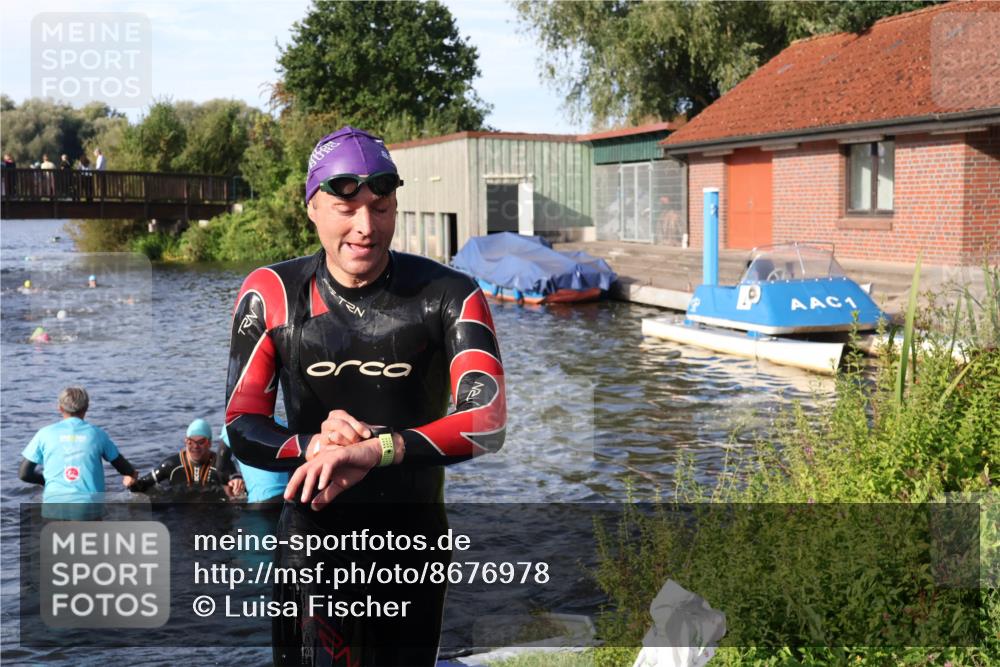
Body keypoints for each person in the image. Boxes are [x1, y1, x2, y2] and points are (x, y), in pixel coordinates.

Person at [225, 126, 506, 666]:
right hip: (312, 543)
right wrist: (313, 445)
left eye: (381, 208)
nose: (366, 227)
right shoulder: (272, 293)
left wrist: (377, 449)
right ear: (312, 207)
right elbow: (241, 422)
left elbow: (487, 419)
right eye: (345, 208)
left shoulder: (449, 294)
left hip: (412, 544)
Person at [19, 387, 139, 519]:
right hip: (88, 509)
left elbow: (24, 474)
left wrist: (45, 481)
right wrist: (131, 475)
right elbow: (123, 467)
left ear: (60, 408)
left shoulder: (44, 434)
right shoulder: (97, 434)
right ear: (86, 407)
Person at [128, 418, 244, 498]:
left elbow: (234, 476)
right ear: (185, 442)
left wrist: (237, 483)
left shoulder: (221, 463)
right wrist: (132, 483)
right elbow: (142, 485)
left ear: (209, 443)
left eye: (201, 442)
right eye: (190, 442)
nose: (195, 446)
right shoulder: (171, 465)